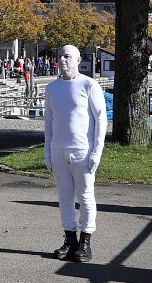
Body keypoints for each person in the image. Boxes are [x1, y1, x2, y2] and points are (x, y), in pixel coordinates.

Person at [44, 44, 107, 263]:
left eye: (68, 57)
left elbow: (101, 119)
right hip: (59, 150)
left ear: (78, 60)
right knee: (64, 198)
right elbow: (49, 122)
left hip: (82, 151)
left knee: (86, 197)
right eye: (61, 56)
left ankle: (85, 241)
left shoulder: (89, 85)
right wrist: (48, 151)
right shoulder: (51, 88)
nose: (63, 60)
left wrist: (96, 152)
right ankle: (69, 238)